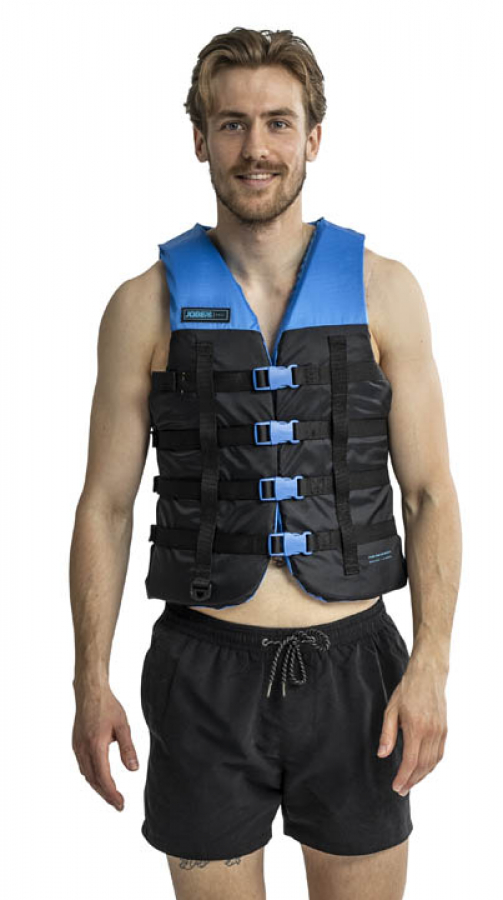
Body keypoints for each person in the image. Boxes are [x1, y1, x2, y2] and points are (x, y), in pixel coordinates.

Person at [70, 26, 461, 900]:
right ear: (200, 138)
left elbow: (429, 492)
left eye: (278, 122)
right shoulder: (142, 307)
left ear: (312, 137)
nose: (256, 147)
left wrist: (431, 666)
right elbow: (105, 504)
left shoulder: (385, 292)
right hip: (203, 669)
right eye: (232, 123)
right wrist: (88, 680)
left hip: (358, 670)